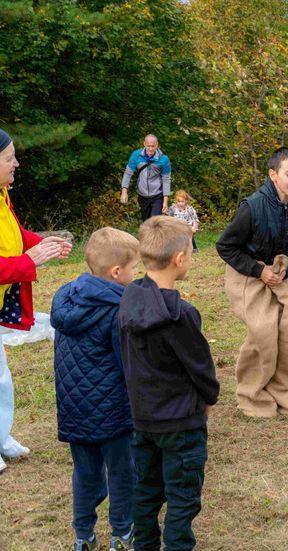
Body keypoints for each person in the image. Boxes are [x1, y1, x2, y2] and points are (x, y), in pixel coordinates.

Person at [119, 216, 220, 550]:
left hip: (143, 419)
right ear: (179, 259)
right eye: (190, 253)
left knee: (146, 492)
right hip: (181, 423)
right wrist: (209, 397)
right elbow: (200, 366)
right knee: (182, 497)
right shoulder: (181, 315)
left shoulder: (129, 298)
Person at [51, 227, 140, 551]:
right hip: (113, 411)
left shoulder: (66, 297)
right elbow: (127, 363)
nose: (136, 275)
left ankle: (83, 534)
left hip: (74, 408)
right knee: (123, 473)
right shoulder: (118, 309)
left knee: (84, 474)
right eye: (134, 269)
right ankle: (122, 531)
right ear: (116, 272)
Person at [216, 147, 288, 417]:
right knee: (263, 331)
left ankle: (284, 392)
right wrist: (259, 271)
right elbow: (225, 247)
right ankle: (252, 394)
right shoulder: (252, 207)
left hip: (281, 276)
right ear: (273, 175)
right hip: (248, 275)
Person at [0, 129, 72, 475]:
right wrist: (32, 260)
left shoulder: (3, 195)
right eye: (9, 157)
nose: (16, 162)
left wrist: (44, 243)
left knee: (0, 378)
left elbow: (13, 236)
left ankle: (1, 437)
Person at [120, 135, 172, 221]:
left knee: (154, 222)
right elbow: (128, 173)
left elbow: (166, 180)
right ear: (144, 144)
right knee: (146, 222)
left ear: (157, 144)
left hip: (157, 195)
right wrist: (124, 192)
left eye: (153, 146)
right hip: (142, 195)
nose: (151, 149)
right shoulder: (136, 155)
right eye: (148, 146)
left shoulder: (163, 159)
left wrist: (165, 201)